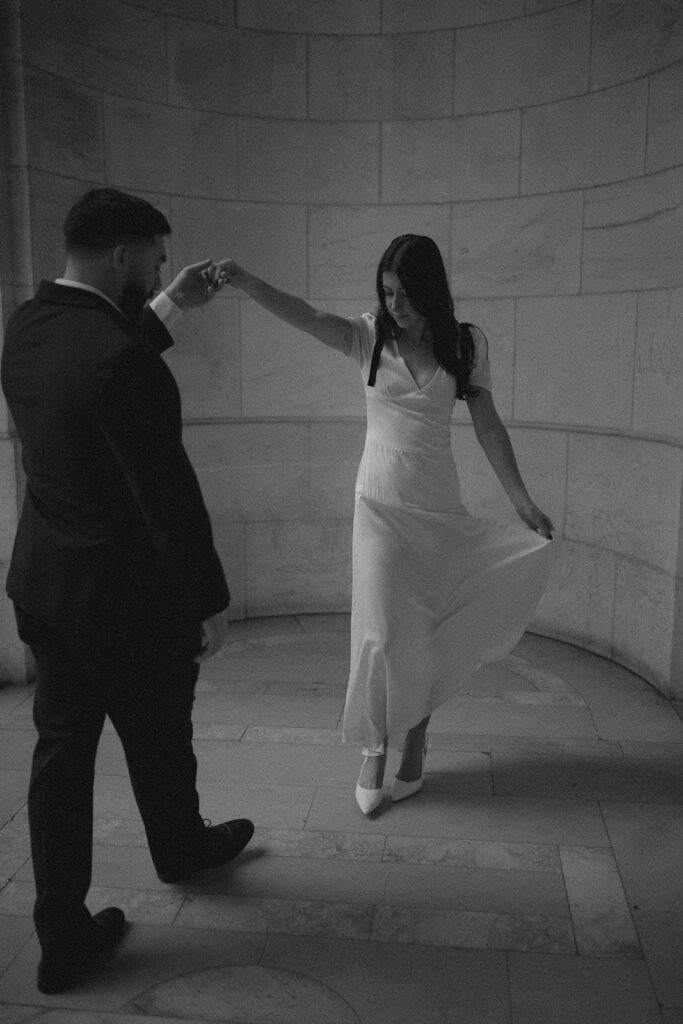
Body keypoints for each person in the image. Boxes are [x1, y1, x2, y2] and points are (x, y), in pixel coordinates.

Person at [1, 188, 254, 995]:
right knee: (159, 734)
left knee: (62, 759)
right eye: (156, 258)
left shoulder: (26, 328)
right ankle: (180, 848)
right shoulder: (121, 359)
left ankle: (61, 938)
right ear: (121, 255)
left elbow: (99, 370)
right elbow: (167, 496)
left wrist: (171, 305)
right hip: (129, 603)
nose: (159, 269)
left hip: (49, 589)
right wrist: (208, 599)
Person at [215, 234, 553, 814]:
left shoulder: (465, 344)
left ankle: (416, 739)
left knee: (428, 629)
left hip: (437, 505)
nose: (394, 304)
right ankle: (374, 746)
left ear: (430, 290)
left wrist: (522, 503)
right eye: (387, 292)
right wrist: (245, 280)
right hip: (378, 504)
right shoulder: (369, 337)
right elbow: (306, 316)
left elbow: (488, 424)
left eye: (404, 293)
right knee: (380, 634)